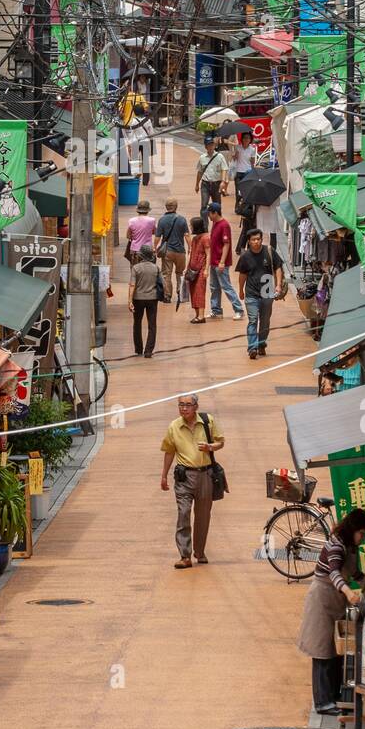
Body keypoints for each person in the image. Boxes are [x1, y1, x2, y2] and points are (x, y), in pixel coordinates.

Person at [297, 509, 365, 714]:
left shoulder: (350, 546)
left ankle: (335, 697)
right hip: (322, 600)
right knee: (322, 652)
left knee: (336, 652)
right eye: (362, 533)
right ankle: (323, 703)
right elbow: (334, 572)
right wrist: (348, 591)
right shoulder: (335, 545)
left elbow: (353, 572)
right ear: (352, 530)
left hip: (336, 601)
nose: (363, 537)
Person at [160, 393, 225, 568]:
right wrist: (164, 475)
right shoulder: (174, 426)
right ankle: (185, 555)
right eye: (181, 405)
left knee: (203, 516)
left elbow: (221, 441)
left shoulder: (207, 421)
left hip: (205, 475)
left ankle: (200, 551)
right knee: (183, 513)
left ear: (196, 406)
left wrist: (211, 447)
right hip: (184, 477)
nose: (184, 408)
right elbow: (169, 451)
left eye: (188, 405)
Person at [236, 227, 284, 360]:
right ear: (249, 241)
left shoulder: (269, 251)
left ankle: (261, 343)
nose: (256, 241)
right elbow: (242, 274)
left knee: (264, 322)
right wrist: (241, 290)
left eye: (258, 239)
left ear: (261, 239)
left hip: (267, 292)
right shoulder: (245, 256)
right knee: (252, 320)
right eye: (253, 239)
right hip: (251, 293)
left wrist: (278, 285)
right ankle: (252, 348)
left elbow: (278, 267)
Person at [206, 201, 244, 320]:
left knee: (226, 286)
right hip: (213, 261)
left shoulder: (224, 225)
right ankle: (216, 310)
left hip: (220, 262)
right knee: (214, 287)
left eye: (210, 213)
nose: (208, 215)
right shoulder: (215, 223)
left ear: (215, 213)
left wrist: (222, 261)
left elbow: (226, 244)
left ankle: (238, 309)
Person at [154, 197, 190, 303]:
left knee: (166, 274)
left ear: (166, 207)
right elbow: (187, 235)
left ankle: (167, 296)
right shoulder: (182, 219)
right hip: (180, 251)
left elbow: (157, 237)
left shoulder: (162, 220)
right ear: (176, 207)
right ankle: (180, 294)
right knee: (180, 273)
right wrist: (190, 248)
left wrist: (154, 247)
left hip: (168, 252)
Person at [128, 244, 159, 358]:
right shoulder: (156, 268)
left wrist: (129, 300)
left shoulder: (136, 268)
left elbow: (132, 285)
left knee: (137, 323)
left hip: (138, 299)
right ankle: (148, 351)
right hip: (152, 298)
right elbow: (162, 284)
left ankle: (139, 348)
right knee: (152, 325)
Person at [195, 135, 228, 222]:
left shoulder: (220, 156)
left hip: (216, 184)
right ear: (206, 146)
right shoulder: (202, 157)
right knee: (204, 206)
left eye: (212, 145)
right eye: (208, 145)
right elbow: (199, 172)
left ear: (214, 146)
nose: (210, 147)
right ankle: (204, 227)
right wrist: (197, 184)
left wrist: (223, 181)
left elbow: (224, 169)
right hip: (205, 184)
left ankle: (217, 224)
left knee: (217, 206)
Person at [186, 215, 211, 323]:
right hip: (193, 269)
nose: (190, 227)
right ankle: (197, 314)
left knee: (200, 291)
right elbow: (192, 254)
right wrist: (187, 267)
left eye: (191, 225)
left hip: (201, 269)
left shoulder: (205, 238)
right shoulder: (195, 238)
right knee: (194, 291)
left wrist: (206, 269)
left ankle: (201, 316)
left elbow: (208, 254)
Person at [126, 199, 156, 267]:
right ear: (148, 210)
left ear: (138, 210)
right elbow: (154, 232)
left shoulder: (131, 221)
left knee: (134, 269)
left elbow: (128, 236)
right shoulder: (152, 220)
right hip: (148, 250)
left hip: (135, 250)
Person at [232, 129, 256, 210]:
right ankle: (237, 207)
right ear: (242, 139)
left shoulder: (252, 149)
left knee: (246, 191)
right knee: (238, 191)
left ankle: (244, 207)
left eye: (248, 138)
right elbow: (234, 159)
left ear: (250, 140)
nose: (246, 140)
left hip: (247, 173)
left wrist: (253, 172)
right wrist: (235, 155)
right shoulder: (238, 147)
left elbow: (252, 162)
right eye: (245, 138)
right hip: (238, 172)